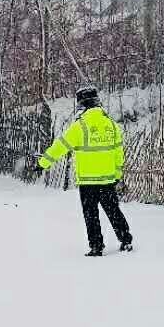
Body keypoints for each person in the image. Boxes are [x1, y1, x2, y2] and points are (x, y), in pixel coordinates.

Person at [37, 86, 134, 256]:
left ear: (81, 105)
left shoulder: (79, 127)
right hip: (108, 179)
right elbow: (119, 153)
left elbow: (60, 146)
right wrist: (118, 174)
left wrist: (43, 163)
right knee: (113, 210)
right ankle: (125, 240)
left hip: (88, 181)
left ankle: (96, 246)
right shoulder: (112, 125)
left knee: (91, 215)